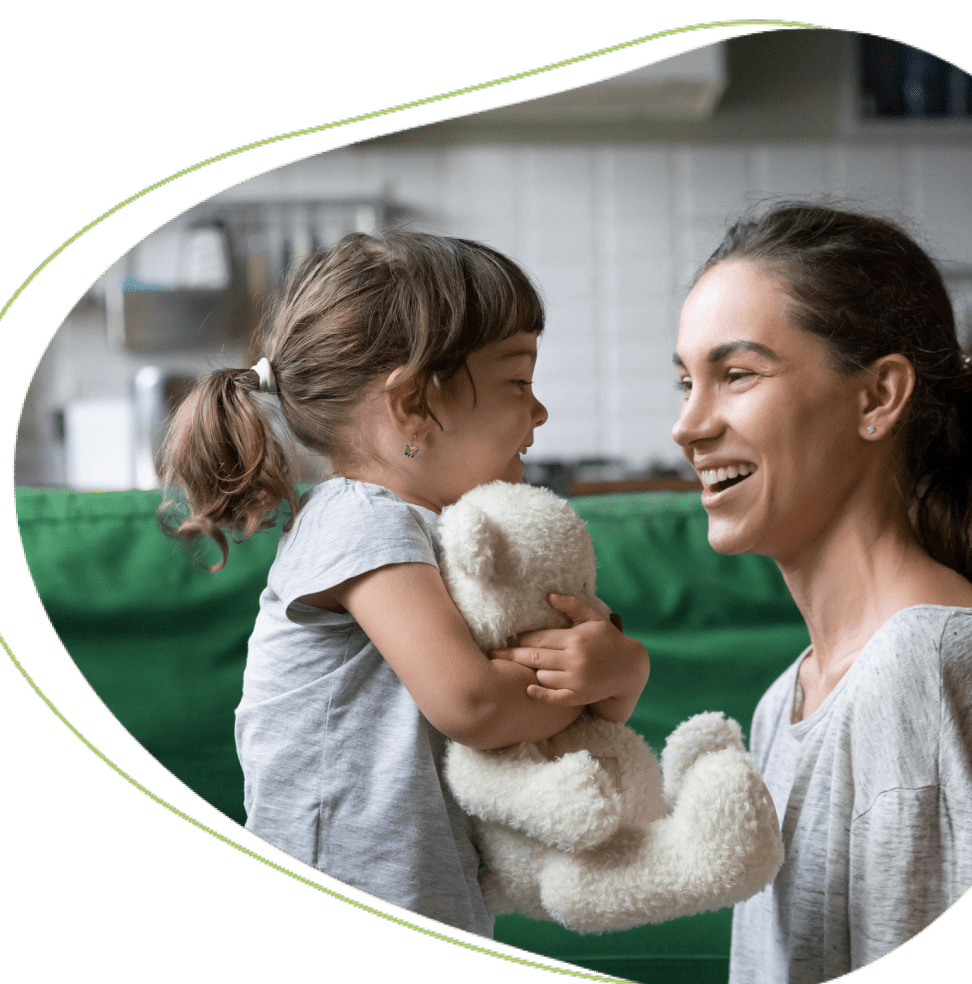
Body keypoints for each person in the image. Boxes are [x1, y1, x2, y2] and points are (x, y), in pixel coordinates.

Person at [156, 230, 650, 938]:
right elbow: (475, 704)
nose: (539, 412)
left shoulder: (438, 535)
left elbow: (527, 704)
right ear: (414, 402)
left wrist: (613, 673)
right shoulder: (358, 518)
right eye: (518, 381)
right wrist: (604, 679)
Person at [669, 202, 972, 984]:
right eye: (685, 382)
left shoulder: (924, 675)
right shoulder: (788, 699)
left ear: (877, 398)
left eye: (736, 375)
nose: (688, 425)